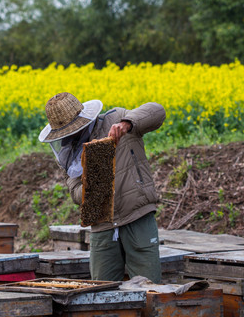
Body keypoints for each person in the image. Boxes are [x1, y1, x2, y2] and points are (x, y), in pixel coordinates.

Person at [39, 92, 166, 282]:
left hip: (137, 216)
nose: (72, 136)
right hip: (102, 227)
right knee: (101, 292)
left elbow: (157, 112)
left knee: (149, 289)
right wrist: (96, 177)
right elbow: (75, 194)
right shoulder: (68, 153)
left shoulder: (116, 118)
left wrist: (128, 123)